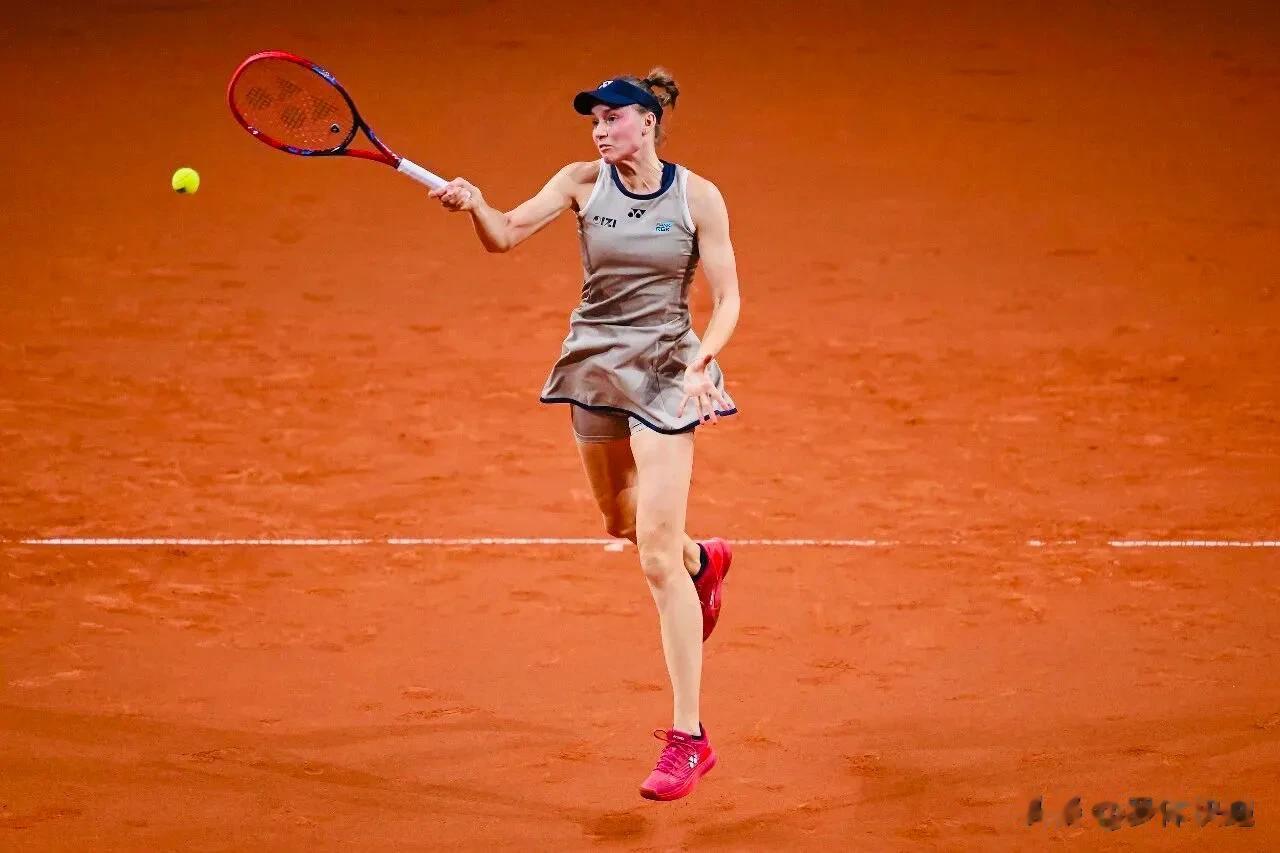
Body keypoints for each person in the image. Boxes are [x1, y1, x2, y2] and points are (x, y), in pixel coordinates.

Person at [428, 68, 741, 802]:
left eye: (613, 118)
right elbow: (505, 235)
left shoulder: (697, 197)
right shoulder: (579, 182)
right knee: (621, 523)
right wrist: (475, 205)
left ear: (648, 121)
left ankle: (689, 738)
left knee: (654, 558)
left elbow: (728, 296)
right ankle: (704, 561)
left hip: (667, 371)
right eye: (594, 121)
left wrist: (702, 361)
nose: (600, 132)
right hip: (596, 365)